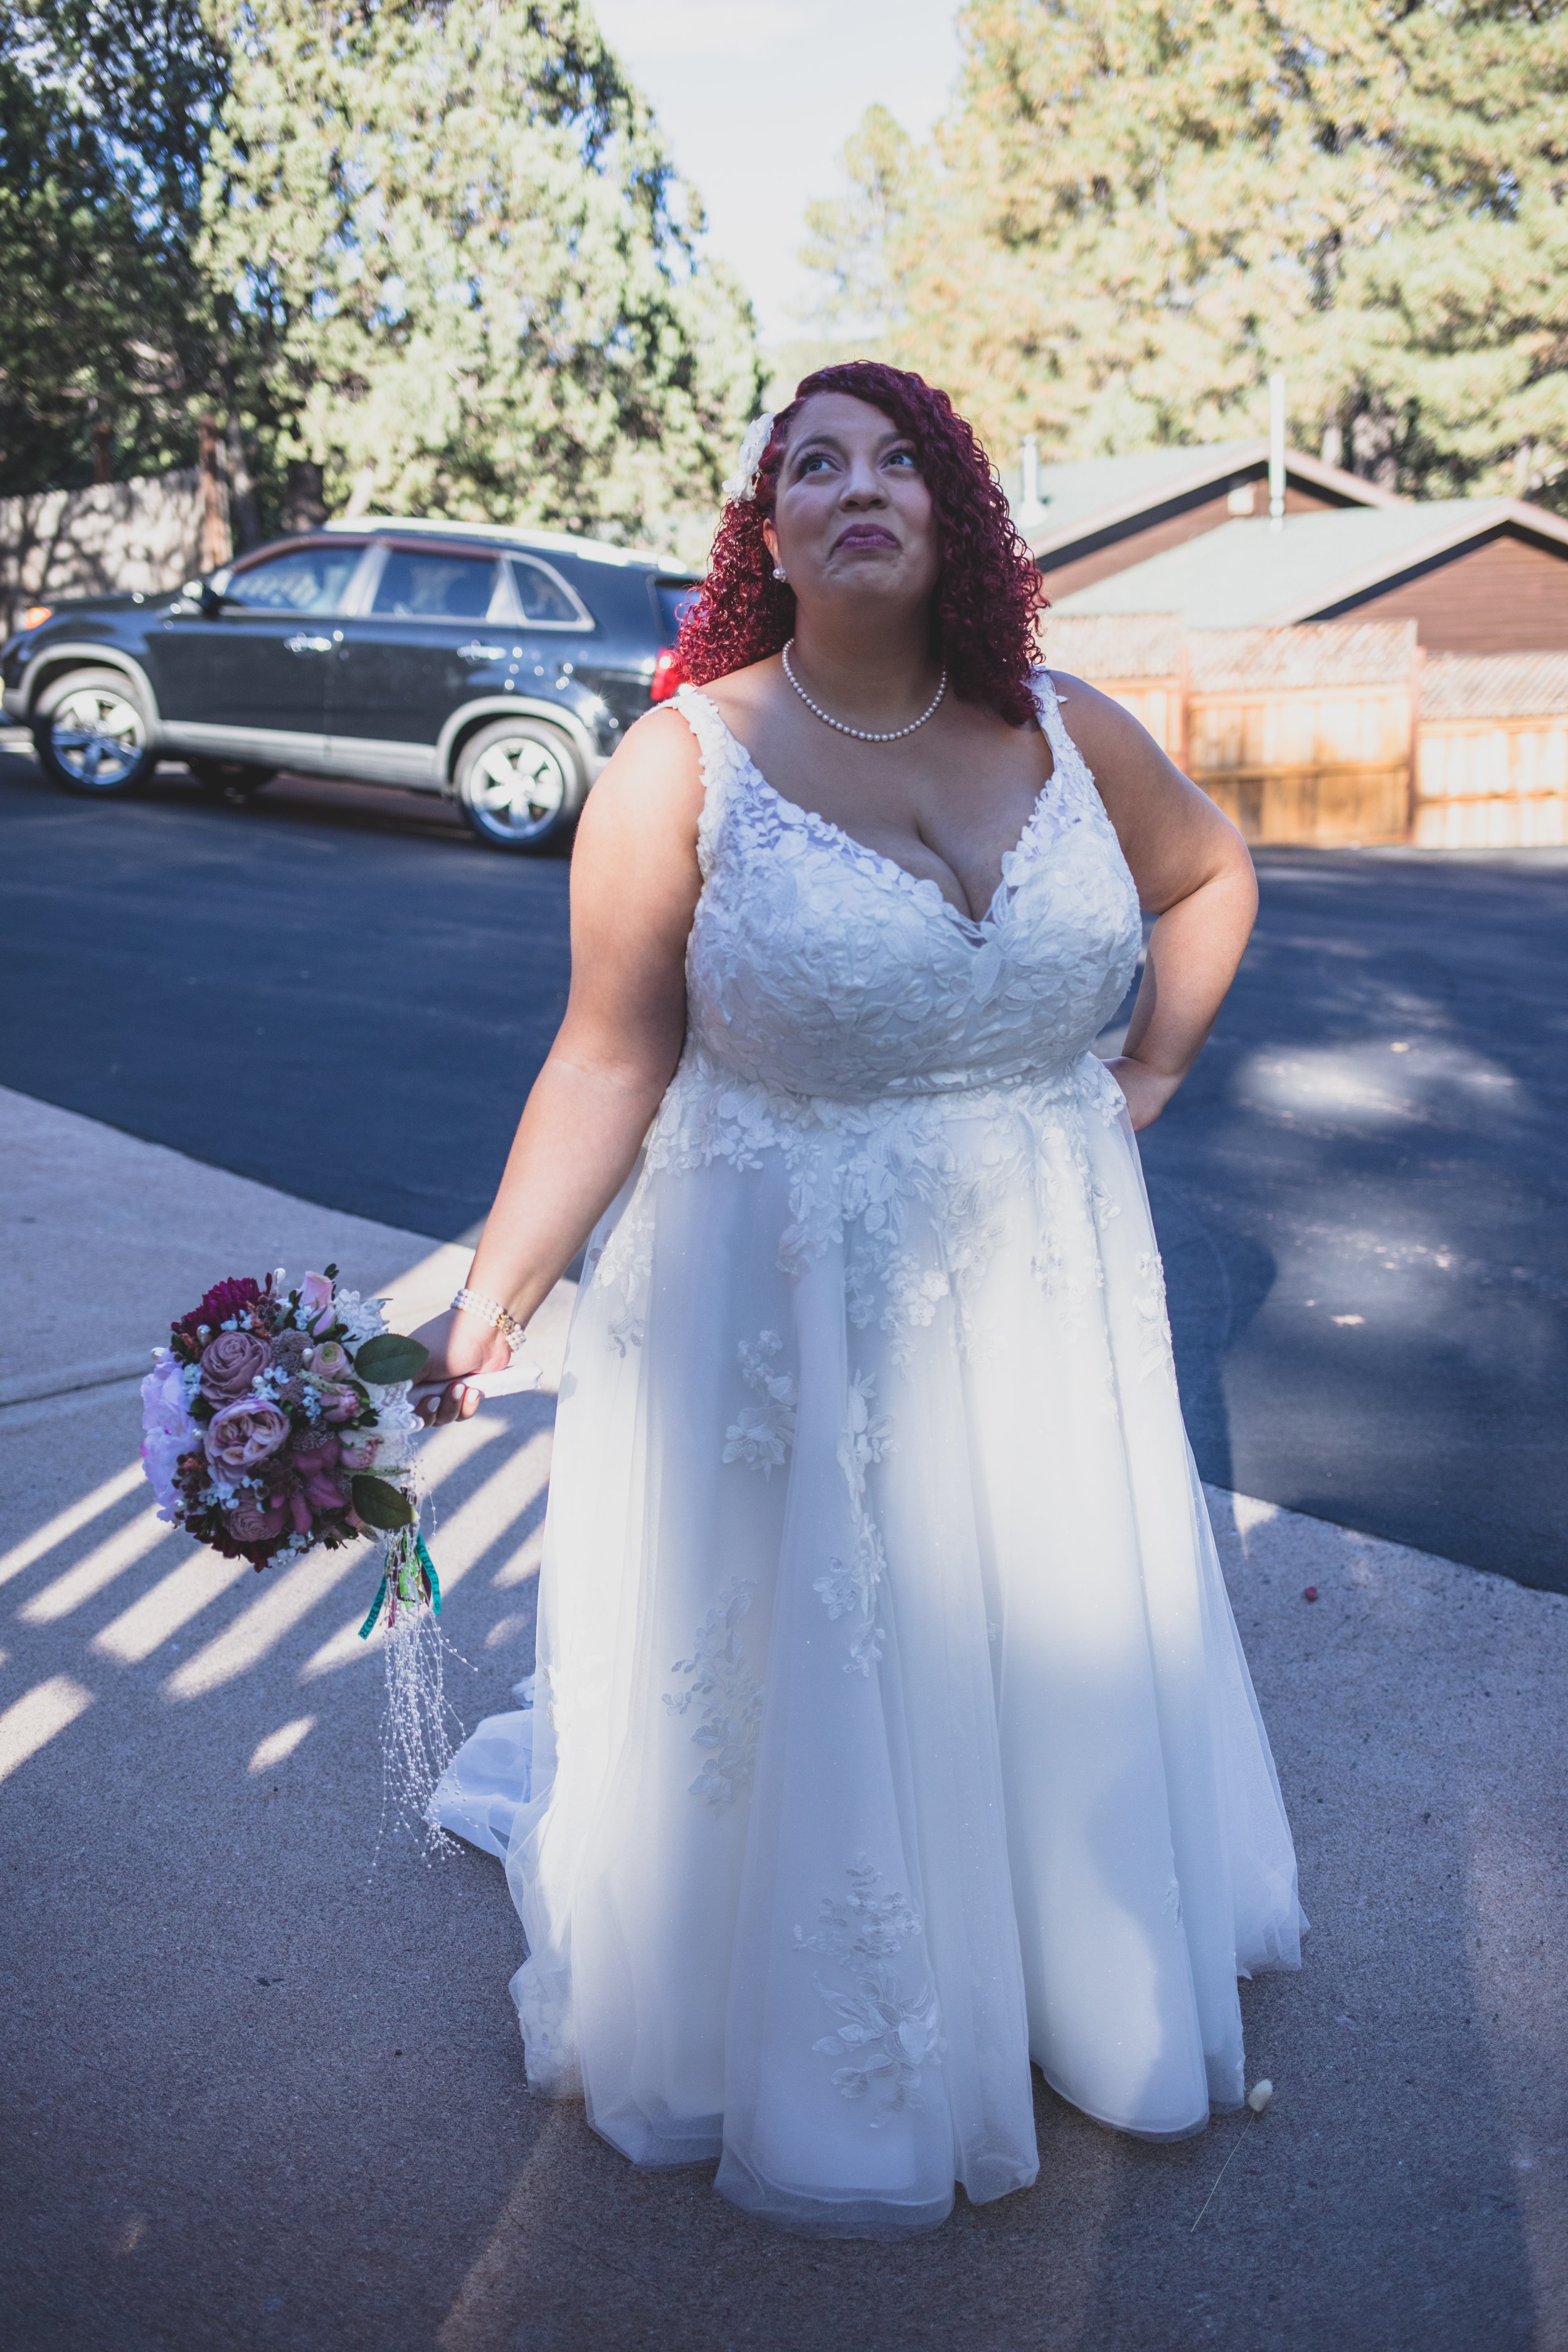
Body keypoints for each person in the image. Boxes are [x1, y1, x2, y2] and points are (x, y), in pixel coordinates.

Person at [413, 361, 1303, 2239]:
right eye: (809, 463)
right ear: (766, 534)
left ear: (957, 514)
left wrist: (1138, 1078)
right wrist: (493, 1300)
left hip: (1046, 1282)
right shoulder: (683, 764)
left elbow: (1211, 876)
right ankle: (848, 2032)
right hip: (788, 1295)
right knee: (829, 1646)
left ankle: (1069, 1969)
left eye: (899, 456)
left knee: (1036, 1606)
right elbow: (602, 1060)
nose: (856, 483)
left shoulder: (1066, 731)